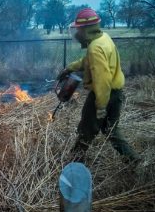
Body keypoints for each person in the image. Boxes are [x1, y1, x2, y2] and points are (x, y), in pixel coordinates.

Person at [58, 8, 141, 163]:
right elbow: (89, 61)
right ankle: (133, 159)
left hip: (102, 96)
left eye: (79, 30)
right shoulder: (103, 38)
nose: (77, 34)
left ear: (85, 30)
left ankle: (73, 163)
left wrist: (101, 106)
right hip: (116, 94)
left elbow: (102, 81)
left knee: (85, 130)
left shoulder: (95, 48)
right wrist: (71, 67)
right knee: (111, 130)